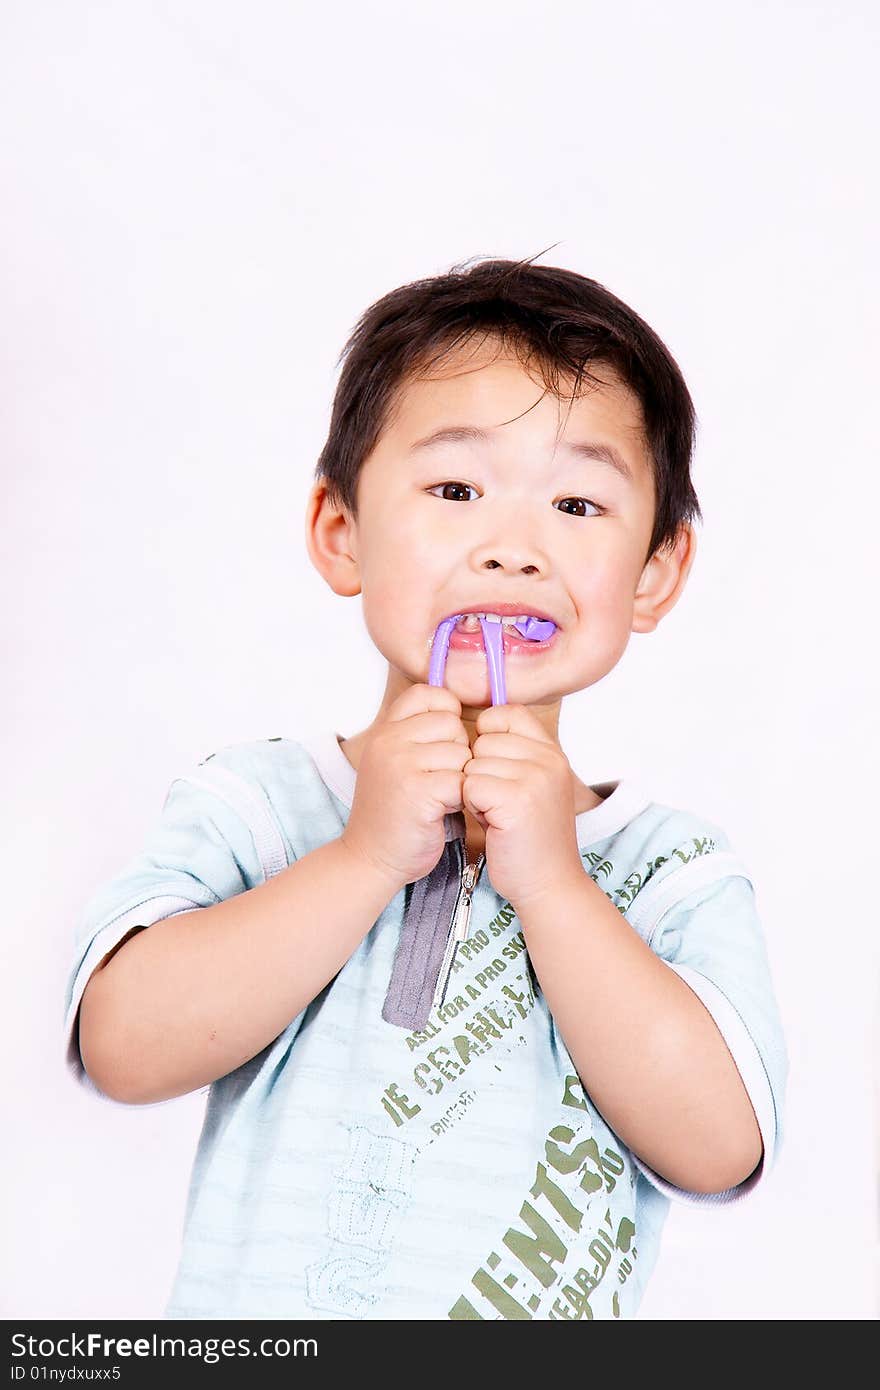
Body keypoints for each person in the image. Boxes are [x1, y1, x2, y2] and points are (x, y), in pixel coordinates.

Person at [64, 253, 787, 1321]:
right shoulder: (259, 803)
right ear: (339, 531)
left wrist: (557, 888)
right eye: (455, 490)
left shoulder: (670, 870)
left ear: (655, 574)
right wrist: (361, 858)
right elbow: (121, 1046)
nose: (512, 550)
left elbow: (719, 1147)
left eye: (578, 503)